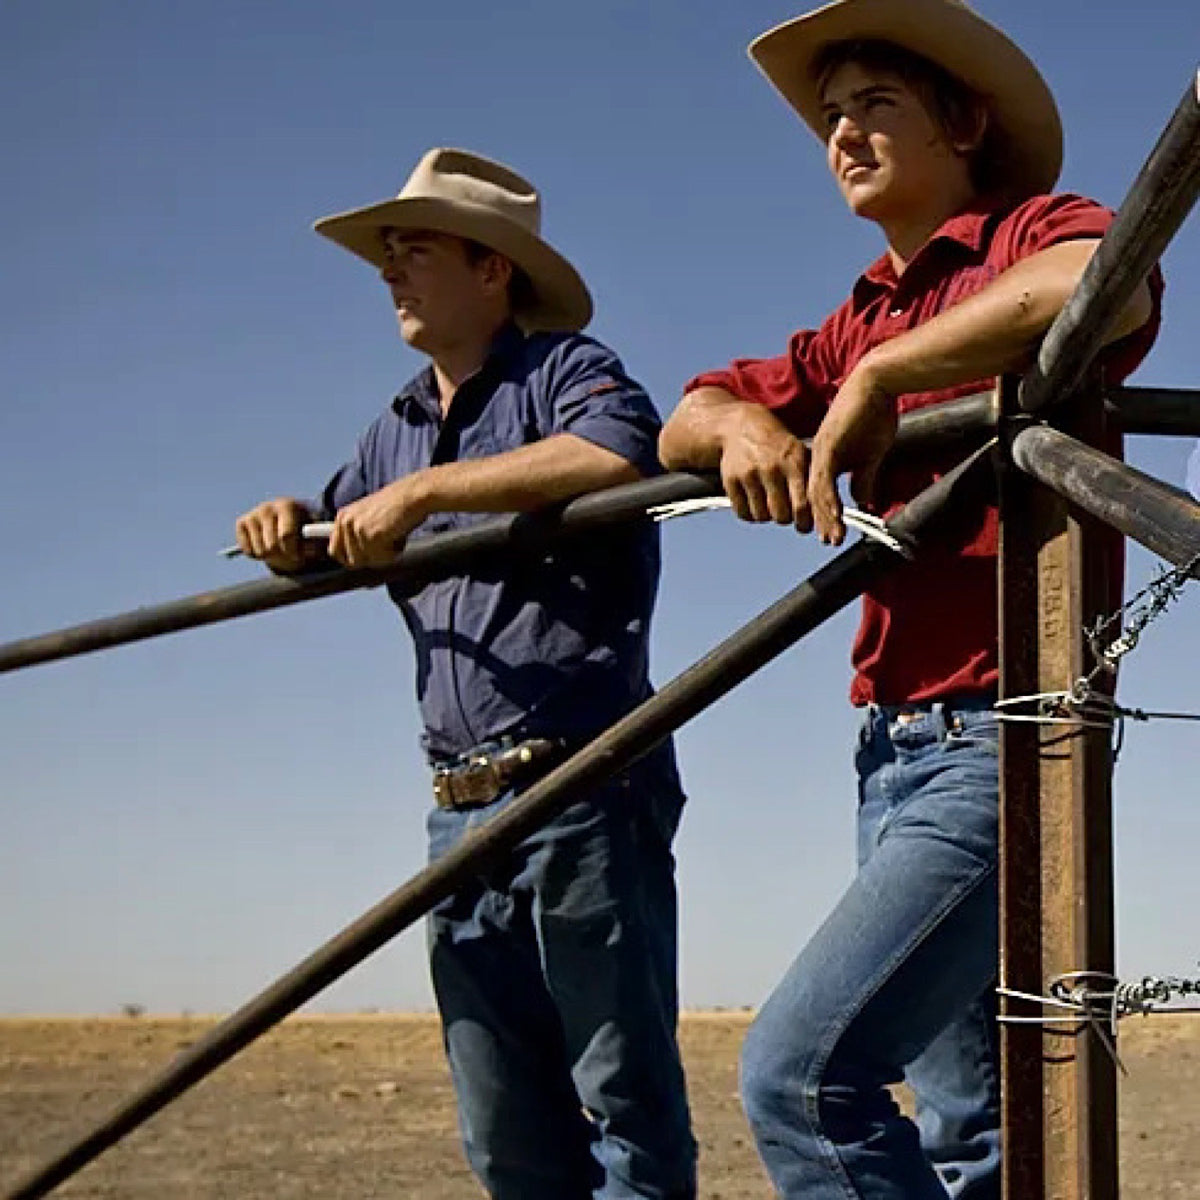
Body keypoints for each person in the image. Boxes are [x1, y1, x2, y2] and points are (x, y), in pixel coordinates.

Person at [658, 2, 1162, 1196]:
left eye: (874, 105)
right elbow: (692, 407)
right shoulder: (855, 315)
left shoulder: (1027, 235)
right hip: (890, 750)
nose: (841, 134)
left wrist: (888, 377)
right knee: (972, 1126)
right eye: (830, 116)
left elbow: (1109, 283)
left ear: (965, 124)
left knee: (801, 1076)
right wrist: (745, 430)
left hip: (1007, 733)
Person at [236, 147, 696, 1200]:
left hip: (583, 782)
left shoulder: (566, 371)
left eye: (415, 251)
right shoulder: (392, 427)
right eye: (386, 258)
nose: (391, 274)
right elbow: (330, 527)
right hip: (458, 804)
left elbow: (626, 455)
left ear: (492, 270)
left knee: (626, 1103)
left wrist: (425, 496)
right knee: (503, 1126)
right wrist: (282, 529)